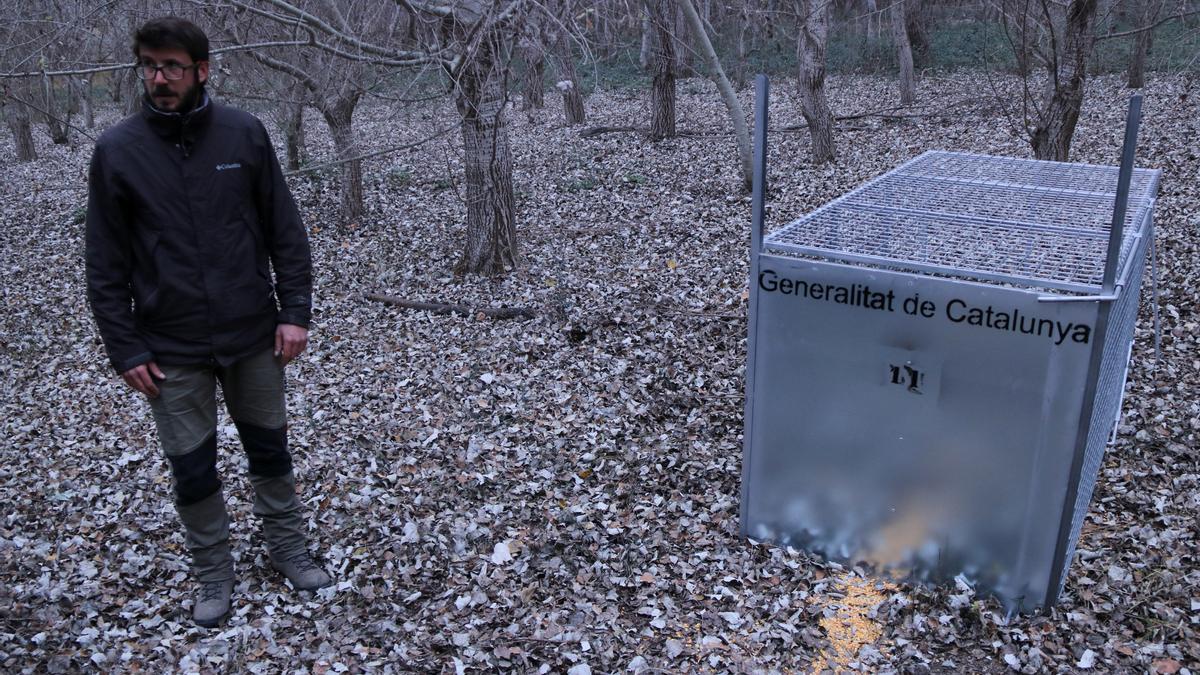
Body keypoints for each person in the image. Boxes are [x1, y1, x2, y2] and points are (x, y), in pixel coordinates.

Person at [85, 16, 331, 628]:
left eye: (171, 66)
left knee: (269, 449)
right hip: (171, 345)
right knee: (192, 466)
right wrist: (126, 348)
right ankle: (213, 571)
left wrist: (294, 312)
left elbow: (285, 232)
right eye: (148, 65)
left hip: (252, 332)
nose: (158, 77)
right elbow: (105, 263)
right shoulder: (119, 150)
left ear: (202, 71)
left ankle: (287, 548)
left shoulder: (243, 135)